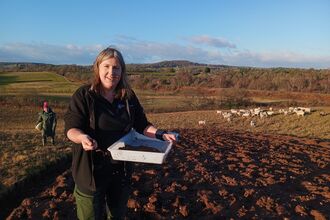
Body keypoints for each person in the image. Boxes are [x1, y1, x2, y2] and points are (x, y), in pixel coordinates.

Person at [64, 46, 178, 220]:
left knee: (116, 214)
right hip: (91, 171)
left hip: (120, 170)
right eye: (107, 66)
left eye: (116, 67)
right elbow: (71, 129)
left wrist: (161, 134)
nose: (112, 72)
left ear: (122, 71)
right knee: (89, 215)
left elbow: (142, 125)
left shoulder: (128, 96)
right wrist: (82, 137)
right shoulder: (84, 95)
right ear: (98, 68)